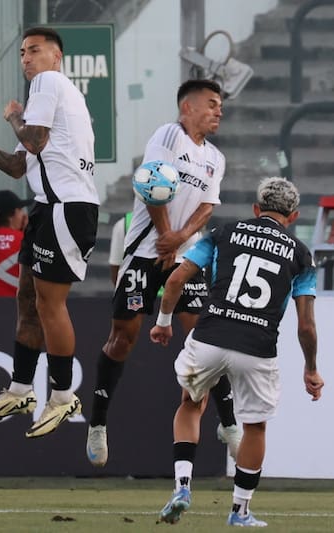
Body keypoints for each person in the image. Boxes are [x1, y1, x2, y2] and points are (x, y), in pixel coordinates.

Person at [85, 79, 241, 467]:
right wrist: (165, 236)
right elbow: (152, 184)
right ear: (187, 107)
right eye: (211, 104)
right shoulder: (169, 134)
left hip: (184, 253)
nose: (218, 111)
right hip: (143, 252)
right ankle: (98, 423)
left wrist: (181, 237)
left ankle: (229, 424)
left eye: (220, 105)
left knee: (205, 338)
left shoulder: (215, 158)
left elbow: (208, 206)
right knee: (123, 338)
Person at [151, 177, 324, 527]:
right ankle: (240, 510)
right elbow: (306, 325)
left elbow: (175, 280)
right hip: (257, 348)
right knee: (255, 428)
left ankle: (182, 486)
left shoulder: (223, 233)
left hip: (211, 335)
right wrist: (311, 369)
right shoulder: (301, 254)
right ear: (293, 216)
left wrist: (164, 321)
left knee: (190, 404)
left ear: (256, 209)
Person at [0, 27, 99, 437]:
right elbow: (19, 165)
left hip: (67, 207)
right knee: (28, 298)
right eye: (23, 51)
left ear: (56, 57)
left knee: (49, 304)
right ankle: (22, 388)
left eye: (36, 50)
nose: (26, 58)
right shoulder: (48, 98)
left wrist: (12, 116)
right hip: (49, 207)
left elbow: (35, 141)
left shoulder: (48, 83)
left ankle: (62, 395)